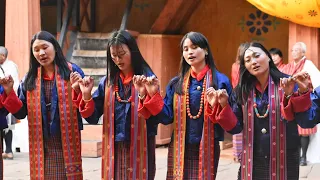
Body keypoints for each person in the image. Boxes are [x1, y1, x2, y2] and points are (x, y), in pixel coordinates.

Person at [136, 32, 241, 179]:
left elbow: (233, 126)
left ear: (205, 51)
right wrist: (154, 95)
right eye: (185, 49)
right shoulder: (176, 83)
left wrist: (222, 105)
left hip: (208, 148)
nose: (189, 52)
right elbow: (167, 118)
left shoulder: (220, 82)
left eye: (194, 47)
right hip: (179, 148)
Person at [73, 30, 159, 180]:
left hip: (140, 143)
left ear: (132, 51)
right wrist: (86, 95)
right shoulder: (107, 82)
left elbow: (157, 115)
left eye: (121, 53)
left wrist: (145, 94)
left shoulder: (147, 79)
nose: (118, 59)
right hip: (114, 146)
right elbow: (92, 117)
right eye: (113, 55)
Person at [221, 42, 314, 179]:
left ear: (269, 57)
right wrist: (224, 106)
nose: (253, 62)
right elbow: (235, 127)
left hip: (285, 156)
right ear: (245, 67)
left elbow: (303, 118)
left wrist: (294, 94)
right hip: (253, 157)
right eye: (248, 60)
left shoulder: (288, 82)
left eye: (257, 56)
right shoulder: (241, 90)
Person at [0, 31, 85, 179]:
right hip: (41, 143)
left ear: (56, 48)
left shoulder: (72, 72)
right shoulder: (30, 78)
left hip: (66, 141)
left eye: (45, 47)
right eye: (36, 49)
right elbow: (21, 113)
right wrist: (9, 92)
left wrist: (80, 91)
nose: (41, 53)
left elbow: (86, 108)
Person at [282, 42, 320, 166]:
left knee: (305, 133)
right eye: (292, 50)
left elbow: (316, 79)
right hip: (295, 101)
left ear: (303, 52)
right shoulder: (288, 66)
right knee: (299, 129)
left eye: (296, 50)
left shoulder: (308, 64)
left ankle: (303, 156)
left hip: (306, 99)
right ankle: (298, 156)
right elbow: (308, 120)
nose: (293, 52)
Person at [0, 46, 19, 160]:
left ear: (3, 56)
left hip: (8, 98)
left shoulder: (11, 66)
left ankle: (9, 150)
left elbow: (14, 83)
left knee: (8, 127)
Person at [231, 43, 247, 162]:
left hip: (236, 95)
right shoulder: (243, 67)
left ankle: (238, 154)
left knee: (238, 124)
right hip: (244, 95)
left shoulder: (234, 65)